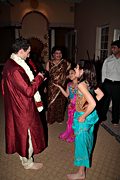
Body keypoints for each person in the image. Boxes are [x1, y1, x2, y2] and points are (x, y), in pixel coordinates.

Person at [1, 38, 46, 170]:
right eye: (28, 52)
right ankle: (28, 163)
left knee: (20, 132)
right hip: (22, 106)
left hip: (16, 103)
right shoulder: (15, 69)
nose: (29, 55)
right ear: (21, 51)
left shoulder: (10, 63)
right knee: (28, 134)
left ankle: (23, 157)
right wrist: (40, 77)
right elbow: (28, 91)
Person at [67, 61, 104, 180]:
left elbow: (93, 102)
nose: (75, 69)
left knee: (81, 143)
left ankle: (81, 173)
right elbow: (100, 94)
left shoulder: (81, 84)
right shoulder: (90, 81)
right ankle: (82, 169)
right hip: (90, 115)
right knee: (87, 139)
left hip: (84, 116)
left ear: (83, 71)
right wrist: (87, 105)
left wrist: (83, 115)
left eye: (77, 68)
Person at [26, 51, 48, 147]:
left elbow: (40, 72)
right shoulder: (21, 65)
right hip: (30, 90)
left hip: (38, 86)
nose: (29, 55)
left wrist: (43, 82)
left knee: (40, 109)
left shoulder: (35, 62)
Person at [46, 46, 71, 124]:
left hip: (62, 86)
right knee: (51, 104)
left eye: (60, 53)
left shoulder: (66, 63)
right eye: (56, 53)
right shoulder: (49, 63)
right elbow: (47, 75)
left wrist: (64, 78)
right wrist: (45, 86)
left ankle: (59, 119)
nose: (58, 55)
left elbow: (70, 74)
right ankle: (51, 119)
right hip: (52, 86)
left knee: (61, 103)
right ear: (53, 54)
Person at [98, 40, 120, 126]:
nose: (112, 49)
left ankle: (115, 120)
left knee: (116, 103)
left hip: (118, 84)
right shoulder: (108, 60)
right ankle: (102, 117)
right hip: (107, 83)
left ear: (119, 49)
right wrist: (103, 84)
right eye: (112, 48)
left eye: (114, 48)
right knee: (105, 102)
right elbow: (104, 71)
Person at [54, 68, 78, 143]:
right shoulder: (69, 84)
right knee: (70, 122)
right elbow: (67, 95)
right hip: (71, 106)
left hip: (79, 107)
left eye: (72, 73)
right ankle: (70, 133)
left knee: (76, 122)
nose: (70, 75)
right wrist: (60, 87)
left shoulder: (81, 84)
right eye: (69, 74)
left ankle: (75, 135)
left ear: (77, 73)